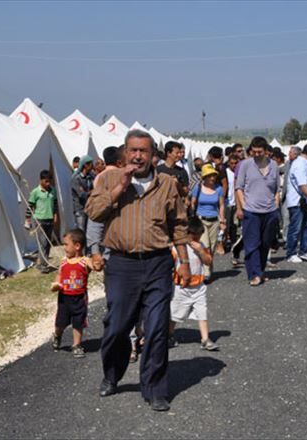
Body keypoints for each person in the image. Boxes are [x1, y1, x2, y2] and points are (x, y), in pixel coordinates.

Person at [85, 129, 190, 412]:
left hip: (157, 263)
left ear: (153, 155)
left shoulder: (167, 184)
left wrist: (185, 261)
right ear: (125, 152)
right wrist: (120, 186)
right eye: (133, 150)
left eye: (143, 151)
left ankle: (155, 389)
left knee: (156, 328)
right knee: (117, 326)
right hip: (121, 265)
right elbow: (93, 212)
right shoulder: (107, 178)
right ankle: (112, 374)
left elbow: (179, 224)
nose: (138, 156)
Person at [168, 217, 219, 351]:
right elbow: (169, 264)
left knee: (202, 312)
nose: (196, 239)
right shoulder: (176, 248)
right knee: (175, 313)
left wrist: (201, 251)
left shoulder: (200, 246)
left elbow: (208, 261)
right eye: (193, 237)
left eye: (198, 237)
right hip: (181, 287)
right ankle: (169, 335)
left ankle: (205, 339)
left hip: (198, 286)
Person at [235, 136, 281, 286]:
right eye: (253, 151)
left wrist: (276, 204)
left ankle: (260, 271)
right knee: (252, 244)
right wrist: (243, 205)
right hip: (251, 211)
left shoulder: (274, 165)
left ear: (266, 151)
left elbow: (276, 189)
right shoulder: (245, 165)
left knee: (265, 243)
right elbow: (239, 187)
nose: (256, 154)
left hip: (270, 211)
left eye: (259, 151)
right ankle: (254, 274)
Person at [50, 229, 99, 358]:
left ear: (77, 246)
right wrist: (56, 284)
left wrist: (97, 264)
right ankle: (57, 335)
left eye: (66, 244)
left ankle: (76, 345)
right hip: (64, 298)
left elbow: (94, 265)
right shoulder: (64, 261)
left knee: (78, 322)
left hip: (79, 298)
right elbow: (59, 274)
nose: (64, 247)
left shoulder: (84, 261)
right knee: (60, 322)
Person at [191, 163, 226, 282]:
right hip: (201, 220)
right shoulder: (198, 188)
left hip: (214, 221)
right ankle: (206, 273)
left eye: (213, 175)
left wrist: (222, 220)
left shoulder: (219, 189)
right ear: (205, 177)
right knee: (205, 245)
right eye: (210, 175)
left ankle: (209, 267)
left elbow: (221, 205)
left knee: (212, 247)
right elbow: (193, 203)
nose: (212, 178)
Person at [285, 145, 307, 263]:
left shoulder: (303, 164)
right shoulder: (300, 164)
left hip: (304, 202)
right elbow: (302, 184)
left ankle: (304, 250)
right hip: (297, 201)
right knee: (295, 228)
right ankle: (291, 253)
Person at [26, 170, 58, 274]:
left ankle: (41, 263)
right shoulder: (35, 192)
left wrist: (55, 215)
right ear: (41, 181)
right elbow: (30, 206)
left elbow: (55, 203)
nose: (48, 184)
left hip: (49, 219)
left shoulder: (53, 190)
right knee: (43, 243)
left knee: (48, 243)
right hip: (39, 220)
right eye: (46, 181)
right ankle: (43, 265)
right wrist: (28, 219)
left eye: (49, 181)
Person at [71, 155, 93, 231]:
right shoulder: (76, 178)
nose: (92, 166)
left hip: (89, 208)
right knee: (81, 231)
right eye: (90, 164)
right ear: (85, 165)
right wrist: (92, 192)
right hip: (80, 209)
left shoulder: (90, 177)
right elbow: (82, 194)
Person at [225, 155, 240, 253]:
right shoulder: (226, 172)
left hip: (236, 203)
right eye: (232, 163)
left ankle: (234, 244)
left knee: (234, 225)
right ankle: (225, 242)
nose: (234, 165)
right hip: (227, 202)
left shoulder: (239, 173)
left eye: (236, 163)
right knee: (226, 224)